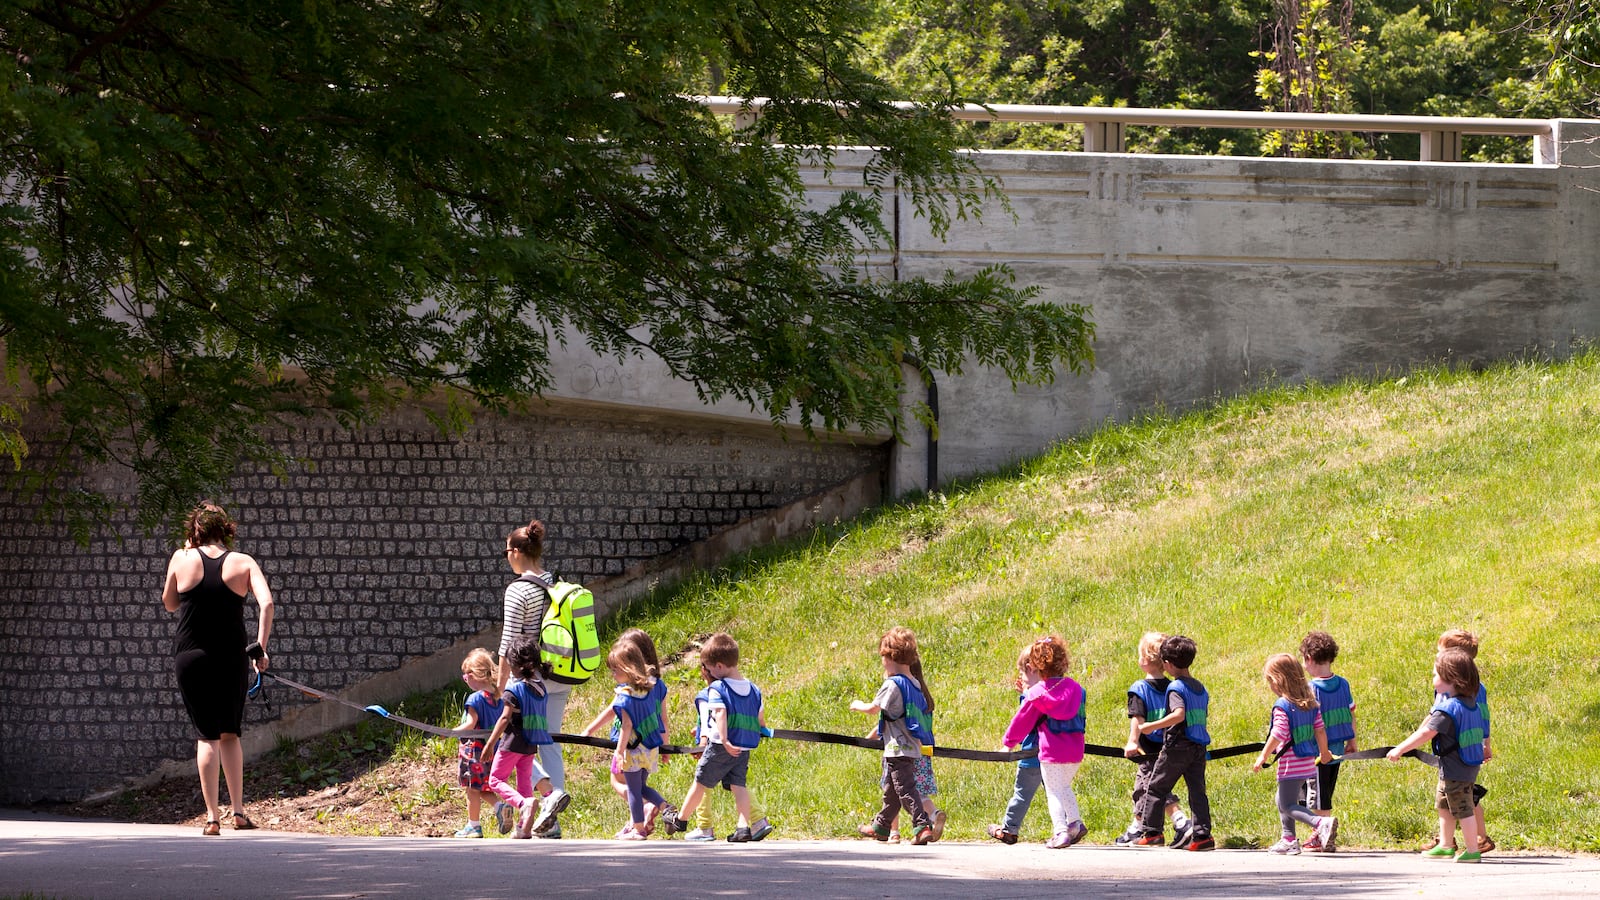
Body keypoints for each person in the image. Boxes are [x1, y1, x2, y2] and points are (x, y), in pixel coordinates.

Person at [160, 502, 276, 835]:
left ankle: (212, 817)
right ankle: (238, 812)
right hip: (231, 658)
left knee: (206, 735)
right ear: (226, 529)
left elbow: (170, 604)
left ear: (193, 530)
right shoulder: (243, 562)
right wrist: (260, 648)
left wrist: (183, 557)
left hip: (190, 657)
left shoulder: (181, 559)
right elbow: (266, 603)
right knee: (230, 733)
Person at [660, 633, 774, 842]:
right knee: (738, 786)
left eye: (710, 669)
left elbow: (720, 714)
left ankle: (681, 819)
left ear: (719, 666)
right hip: (744, 747)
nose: (710, 673)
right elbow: (760, 718)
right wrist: (764, 730)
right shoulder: (754, 689)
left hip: (721, 745)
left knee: (701, 781)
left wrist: (725, 739)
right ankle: (743, 827)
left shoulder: (717, 688)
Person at [497, 518, 571, 838]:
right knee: (549, 742)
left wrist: (500, 688)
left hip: (526, 680)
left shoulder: (519, 590)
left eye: (505, 552)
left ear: (515, 552)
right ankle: (550, 823)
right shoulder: (555, 584)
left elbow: (508, 643)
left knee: (512, 741)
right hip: (559, 674)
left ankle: (546, 792)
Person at [1387, 647, 1487, 863]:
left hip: (1456, 770)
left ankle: (1472, 849)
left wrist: (1399, 749)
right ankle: (1445, 844)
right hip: (1460, 767)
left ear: (1451, 679)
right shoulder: (1471, 704)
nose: (1432, 678)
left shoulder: (1447, 709)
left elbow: (1426, 733)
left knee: (1463, 808)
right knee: (1444, 805)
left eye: (1435, 674)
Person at [850, 627, 936, 845]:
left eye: (883, 657)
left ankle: (922, 825)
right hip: (910, 747)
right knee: (892, 791)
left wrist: (858, 705)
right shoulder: (914, 684)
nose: (882, 662)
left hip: (897, 749)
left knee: (905, 790)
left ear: (890, 657)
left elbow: (874, 709)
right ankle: (881, 825)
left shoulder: (892, 683)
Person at [1001, 636, 1088, 849]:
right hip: (1076, 750)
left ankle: (1061, 831)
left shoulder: (1038, 694)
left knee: (1053, 791)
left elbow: (1022, 721)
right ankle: (1075, 822)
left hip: (1053, 752)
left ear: (1037, 667)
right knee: (1064, 786)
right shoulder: (1075, 689)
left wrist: (1008, 743)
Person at [480, 635, 570, 839]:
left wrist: (490, 744)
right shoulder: (540, 687)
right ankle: (524, 828)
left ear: (515, 665)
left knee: (495, 780)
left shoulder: (514, 689)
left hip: (511, 743)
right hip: (530, 745)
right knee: (524, 786)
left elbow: (504, 719)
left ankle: (523, 804)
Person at [1134, 634, 1214, 850]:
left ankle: (1152, 832)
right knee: (1197, 791)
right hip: (1198, 746)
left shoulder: (1176, 687)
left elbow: (1178, 714)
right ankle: (1202, 836)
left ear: (1167, 664)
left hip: (1178, 746)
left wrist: (1152, 725)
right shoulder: (1200, 687)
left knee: (1156, 787)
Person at [1251, 654, 1336, 855]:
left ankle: (1320, 823)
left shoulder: (1283, 705)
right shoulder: (1310, 703)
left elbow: (1278, 733)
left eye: (1270, 681)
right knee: (1281, 799)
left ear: (1278, 680)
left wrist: (1263, 755)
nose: (1269, 685)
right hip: (1307, 762)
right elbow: (1321, 730)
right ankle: (1288, 839)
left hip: (1290, 763)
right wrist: (1324, 753)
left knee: (1288, 804)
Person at [1114, 632, 1191, 847]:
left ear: (1146, 660)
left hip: (1146, 749)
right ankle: (1139, 826)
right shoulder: (1172, 686)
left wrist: (1132, 741)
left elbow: (1137, 718)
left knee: (1149, 787)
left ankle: (1180, 821)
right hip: (1168, 745)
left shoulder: (1139, 689)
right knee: (1148, 787)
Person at [1424, 629, 1494, 854]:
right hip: (1451, 748)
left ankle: (1478, 838)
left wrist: (1486, 743)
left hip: (1464, 749)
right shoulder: (1448, 686)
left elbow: (1483, 715)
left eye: (1441, 652)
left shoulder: (1473, 689)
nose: (1437, 656)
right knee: (1451, 793)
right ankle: (1448, 840)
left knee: (1465, 794)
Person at [601, 637, 671, 841]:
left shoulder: (626, 695)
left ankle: (638, 828)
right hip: (650, 748)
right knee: (642, 787)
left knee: (633, 789)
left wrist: (619, 751)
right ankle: (664, 806)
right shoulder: (649, 687)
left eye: (616, 670)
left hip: (633, 749)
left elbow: (627, 725)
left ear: (629, 668)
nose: (613, 675)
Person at [1299, 630, 1355, 850]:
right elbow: (1351, 714)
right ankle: (1321, 832)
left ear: (1309, 659)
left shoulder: (1311, 689)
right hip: (1338, 749)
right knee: (1323, 792)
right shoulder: (1343, 684)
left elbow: (1310, 722)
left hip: (1317, 753)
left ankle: (1322, 834)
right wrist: (1352, 741)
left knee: (1319, 796)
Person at [986, 646, 1043, 845]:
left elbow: (1024, 719)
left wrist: (1008, 745)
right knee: (1058, 793)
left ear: (1030, 669)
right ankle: (1069, 824)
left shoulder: (1032, 695)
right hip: (1052, 755)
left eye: (1021, 672)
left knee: (1021, 794)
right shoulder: (1050, 692)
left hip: (1030, 756)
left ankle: (1009, 828)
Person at [450, 648, 505, 837]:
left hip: (473, 751)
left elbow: (471, 724)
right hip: (492, 750)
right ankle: (499, 806)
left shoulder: (475, 698)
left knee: (472, 790)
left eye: (466, 677)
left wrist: (449, 733)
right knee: (480, 786)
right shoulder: (498, 696)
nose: (466, 681)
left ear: (475, 675)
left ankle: (473, 825)